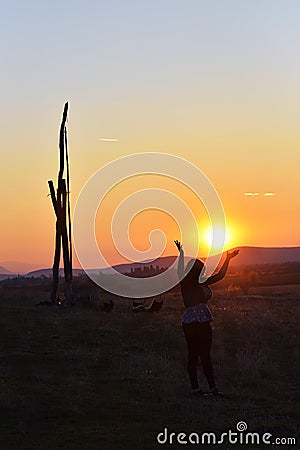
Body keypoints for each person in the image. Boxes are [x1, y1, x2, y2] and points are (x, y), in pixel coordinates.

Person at [174, 240, 239, 397]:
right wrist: (228, 259)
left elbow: (179, 270)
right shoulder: (200, 281)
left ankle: (195, 388)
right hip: (201, 319)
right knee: (205, 355)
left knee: (193, 354)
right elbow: (221, 275)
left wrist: (181, 254)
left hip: (188, 320)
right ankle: (212, 388)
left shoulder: (184, 281)